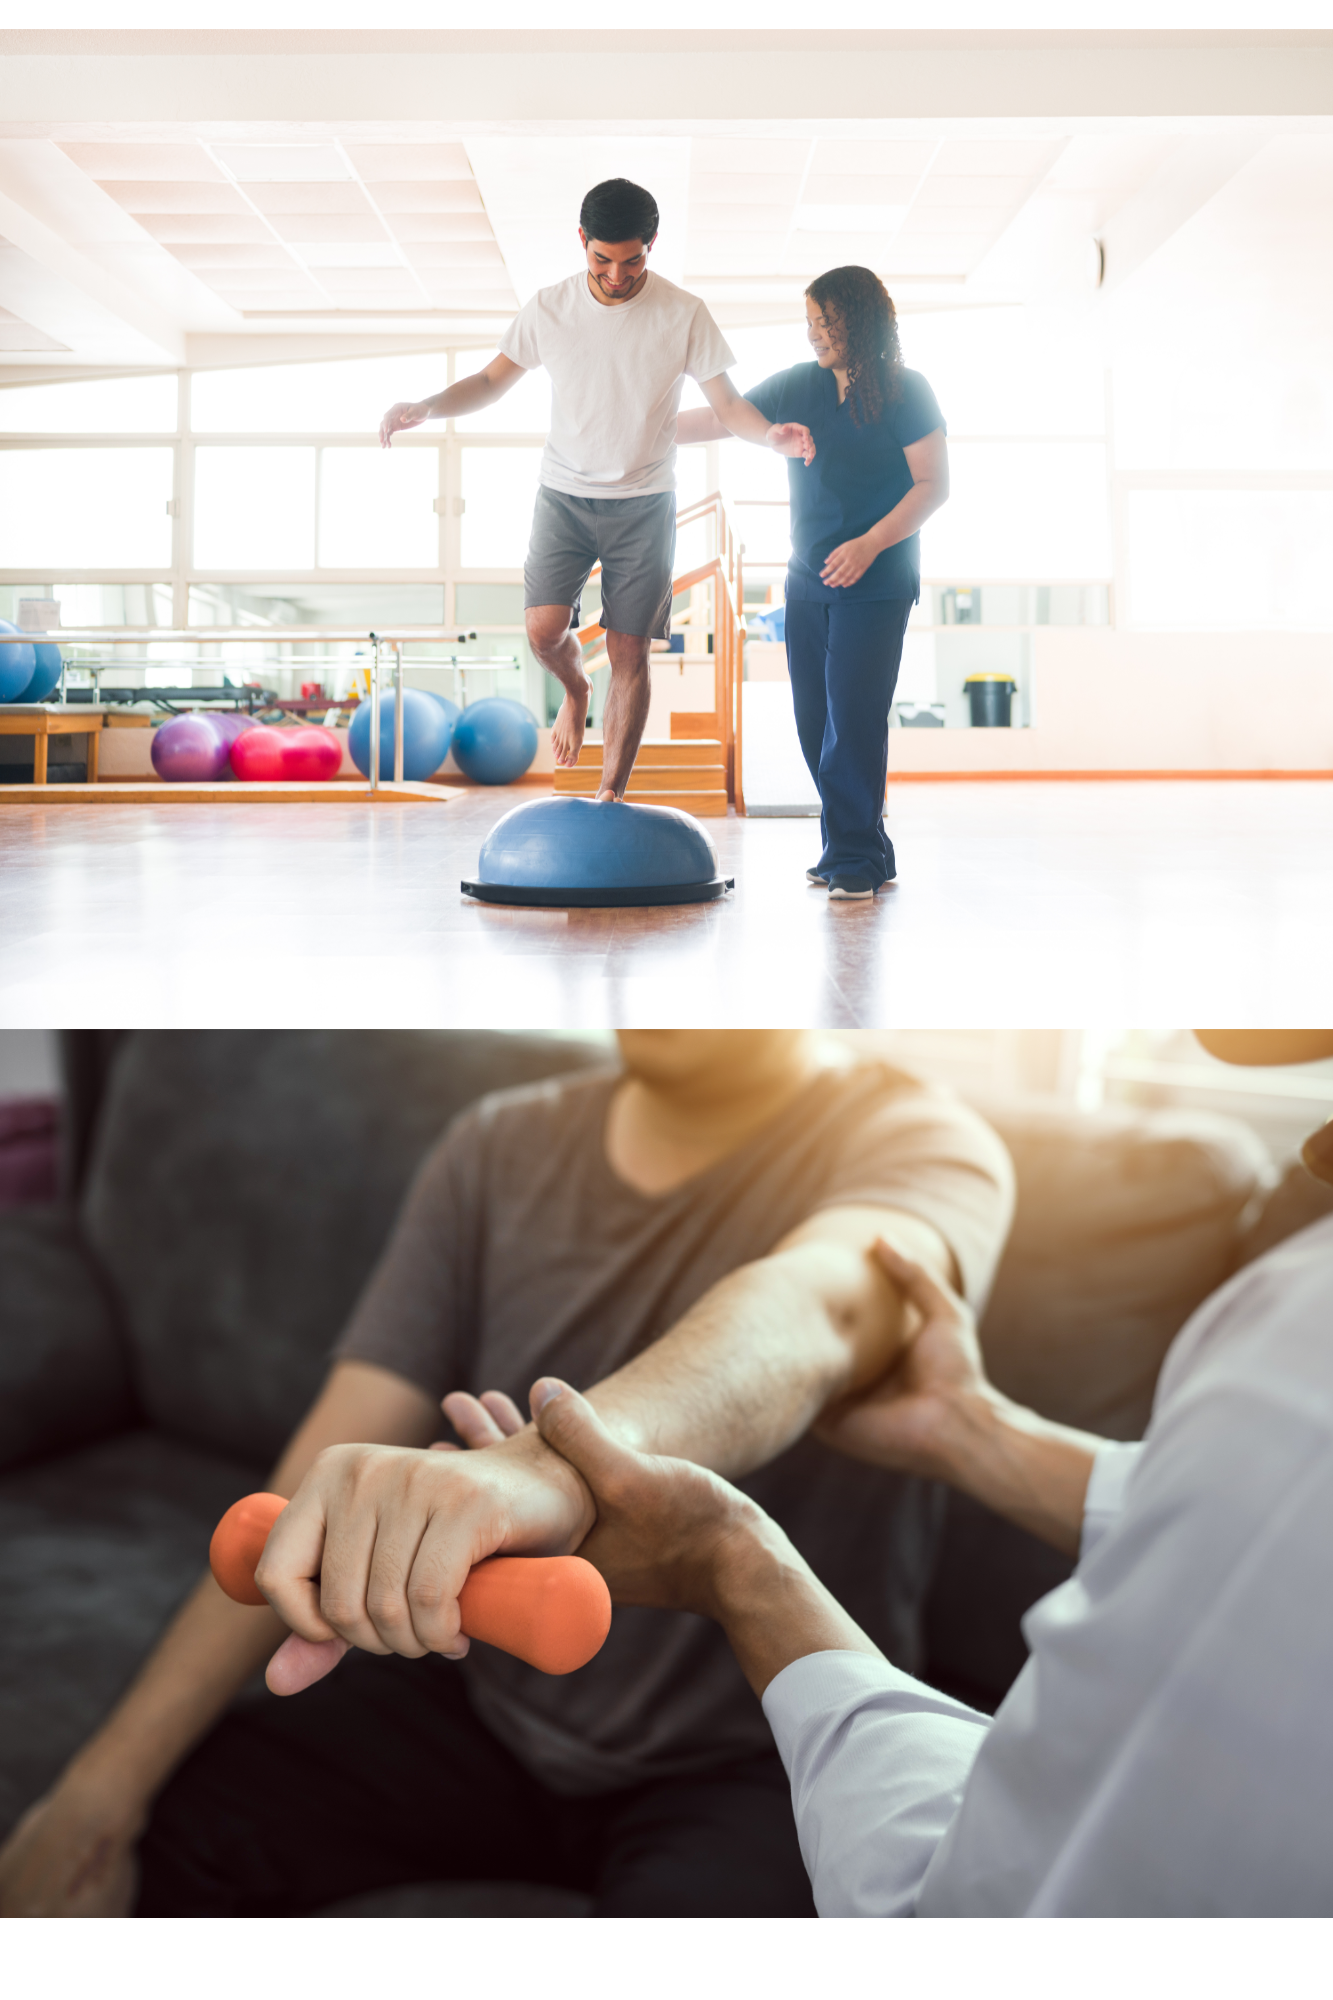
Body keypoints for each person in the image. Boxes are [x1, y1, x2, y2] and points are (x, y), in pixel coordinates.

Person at [0, 1030, 1012, 1919]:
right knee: (163, 1836)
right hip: (481, 1711)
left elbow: (819, 1312)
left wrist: (547, 1471)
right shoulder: (497, 1144)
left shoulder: (923, 1143)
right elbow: (313, 1477)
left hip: (752, 1762)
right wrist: (96, 1798)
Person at [508, 1029, 1333, 1916]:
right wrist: (973, 1432)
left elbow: (963, 1916)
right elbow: (1235, 1526)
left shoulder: (1299, 1343)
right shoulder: (1287, 1380)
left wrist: (735, 1562)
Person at [379, 179, 814, 801]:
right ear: (582, 241)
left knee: (629, 648)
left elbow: (728, 404)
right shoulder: (549, 308)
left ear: (651, 246)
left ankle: (611, 793)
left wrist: (769, 436)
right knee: (542, 630)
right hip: (564, 494)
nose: (616, 275)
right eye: (602, 259)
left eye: (632, 260)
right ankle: (577, 689)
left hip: (645, 500)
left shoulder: (683, 313)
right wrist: (426, 405)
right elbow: (489, 380)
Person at [679, 267, 949, 900]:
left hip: (878, 578)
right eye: (809, 322)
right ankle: (864, 843)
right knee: (814, 720)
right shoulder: (799, 384)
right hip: (808, 579)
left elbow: (934, 484)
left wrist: (871, 543)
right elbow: (724, 419)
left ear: (861, 322)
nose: (814, 336)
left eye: (826, 323)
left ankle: (852, 856)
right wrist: (633, 426)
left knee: (854, 718)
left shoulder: (907, 391)